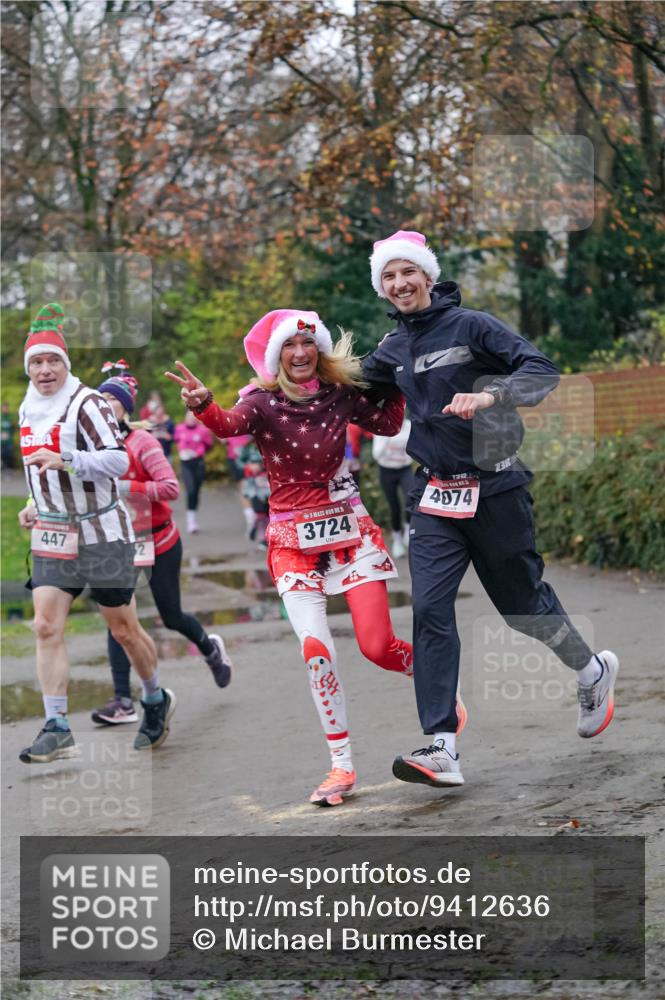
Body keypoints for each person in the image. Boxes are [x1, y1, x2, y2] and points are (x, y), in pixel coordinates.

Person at [362, 230, 619, 789]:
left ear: (428, 277)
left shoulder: (473, 325)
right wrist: (262, 392)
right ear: (382, 286)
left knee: (522, 606)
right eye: (389, 276)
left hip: (497, 489)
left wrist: (491, 394)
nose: (400, 283)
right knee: (430, 610)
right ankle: (442, 747)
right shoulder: (391, 348)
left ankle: (592, 670)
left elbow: (542, 370)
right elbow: (347, 389)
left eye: (408, 272)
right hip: (433, 497)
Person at [165, 309, 441, 807]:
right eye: (289, 347)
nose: (299, 354)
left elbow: (388, 421)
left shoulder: (339, 394)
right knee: (317, 652)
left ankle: (438, 687)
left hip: (349, 533)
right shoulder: (263, 403)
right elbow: (227, 426)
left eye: (307, 345)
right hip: (292, 543)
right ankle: (341, 767)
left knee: (377, 646)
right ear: (277, 357)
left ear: (319, 351)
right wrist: (204, 403)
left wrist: (397, 372)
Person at [16, 304, 175, 763]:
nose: (45, 370)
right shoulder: (28, 405)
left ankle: (153, 697)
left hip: (103, 531)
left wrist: (67, 461)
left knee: (124, 629)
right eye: (37, 363)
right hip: (52, 531)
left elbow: (117, 460)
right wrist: (33, 503)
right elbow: (36, 471)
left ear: (66, 365)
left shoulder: (84, 404)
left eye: (53, 362)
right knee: (46, 626)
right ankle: (57, 723)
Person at [89, 365, 233, 726]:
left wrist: (129, 489)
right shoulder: (90, 447)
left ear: (125, 408)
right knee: (118, 620)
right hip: (119, 544)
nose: (105, 407)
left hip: (159, 540)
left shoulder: (142, 442)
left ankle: (210, 649)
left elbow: (171, 488)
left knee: (171, 616)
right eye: (99, 401)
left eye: (112, 401)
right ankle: (123, 700)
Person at [372, 414, 415, 560]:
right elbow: (376, 455)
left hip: (404, 469)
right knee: (394, 506)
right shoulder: (382, 426)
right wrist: (388, 435)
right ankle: (397, 540)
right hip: (387, 471)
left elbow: (415, 448)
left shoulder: (409, 426)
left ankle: (408, 529)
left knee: (411, 498)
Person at [173, 409, 215, 534]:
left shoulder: (203, 430)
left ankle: (194, 517)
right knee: (190, 490)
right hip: (185, 463)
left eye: (193, 417)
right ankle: (191, 521)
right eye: (189, 416)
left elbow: (209, 445)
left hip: (198, 463)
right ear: (185, 418)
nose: (191, 419)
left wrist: (198, 452)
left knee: (196, 491)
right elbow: (176, 440)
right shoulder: (179, 428)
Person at [1, 401, 16, 469]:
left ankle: (9, 468)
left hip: (8, 441)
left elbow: (14, 428)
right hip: (1, 441)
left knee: (9, 455)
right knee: (2, 454)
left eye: (6, 408)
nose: (5, 409)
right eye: (3, 408)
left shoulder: (11, 417)